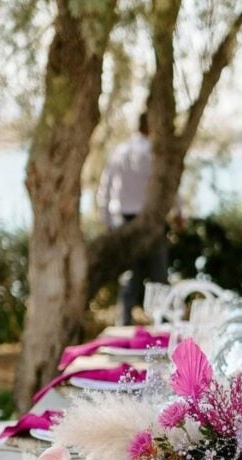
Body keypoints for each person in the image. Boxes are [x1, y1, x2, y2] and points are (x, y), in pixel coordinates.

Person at [97, 111, 171, 326]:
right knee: (159, 278)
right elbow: (167, 188)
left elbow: (105, 189)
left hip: (124, 220)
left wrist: (109, 222)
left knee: (130, 278)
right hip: (150, 222)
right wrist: (179, 213)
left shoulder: (120, 151)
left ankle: (124, 323)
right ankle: (165, 327)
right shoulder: (154, 153)